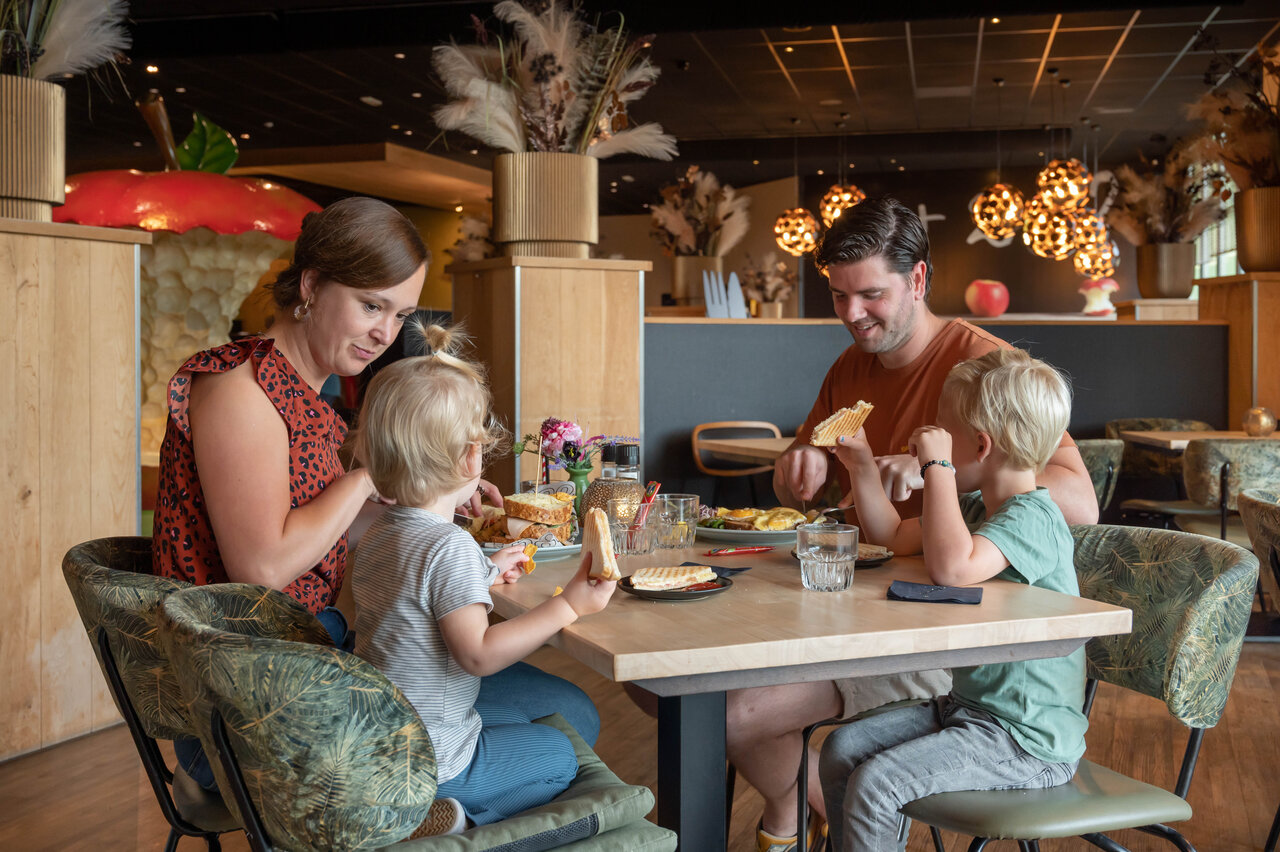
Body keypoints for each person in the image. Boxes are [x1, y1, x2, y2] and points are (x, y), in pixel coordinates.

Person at [151, 196, 598, 792]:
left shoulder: (312, 395)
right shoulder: (241, 387)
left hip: (316, 663)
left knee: (567, 710)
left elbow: (317, 534)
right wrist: (377, 469)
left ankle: (428, 815)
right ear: (311, 285)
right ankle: (424, 818)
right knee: (567, 718)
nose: (384, 333)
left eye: (400, 315)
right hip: (249, 703)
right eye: (371, 306)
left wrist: (423, 497)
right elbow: (261, 569)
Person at [730, 197, 1097, 852]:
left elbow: (1077, 499)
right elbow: (826, 456)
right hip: (855, 608)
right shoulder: (849, 367)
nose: (850, 315)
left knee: (725, 712)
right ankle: (812, 806)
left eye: (869, 294)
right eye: (838, 296)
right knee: (670, 693)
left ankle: (804, 806)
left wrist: (940, 472)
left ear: (919, 279)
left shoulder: (984, 371)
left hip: (936, 644)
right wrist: (802, 459)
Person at [351, 326, 617, 833]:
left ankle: (432, 808)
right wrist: (570, 606)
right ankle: (448, 817)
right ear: (471, 458)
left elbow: (416, 601)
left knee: (521, 726)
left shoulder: (382, 533)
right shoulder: (449, 545)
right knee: (563, 756)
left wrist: (486, 570)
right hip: (439, 760)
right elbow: (478, 654)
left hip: (387, 745)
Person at [818, 348, 1086, 850]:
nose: (930, 441)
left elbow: (953, 569)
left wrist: (936, 465)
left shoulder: (1035, 517)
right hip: (970, 711)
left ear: (981, 445)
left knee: (879, 786)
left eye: (943, 431)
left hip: (1027, 741)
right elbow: (892, 534)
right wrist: (860, 467)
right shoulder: (975, 507)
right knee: (843, 747)